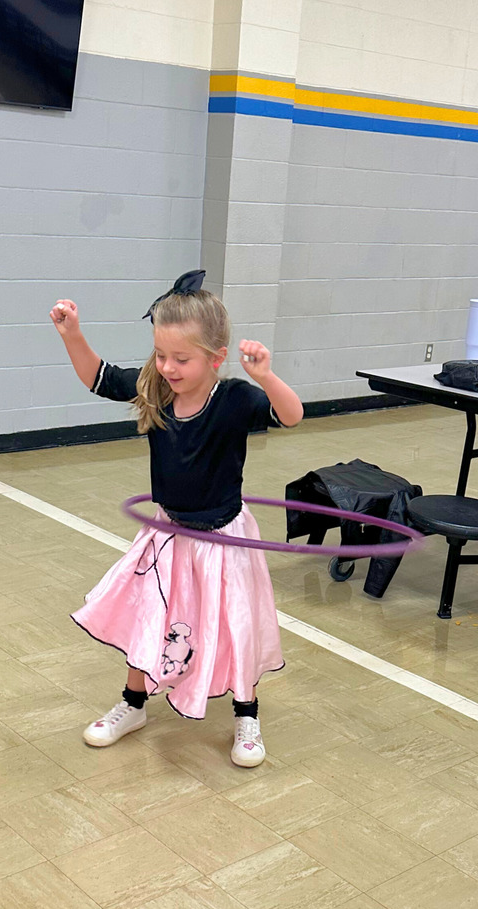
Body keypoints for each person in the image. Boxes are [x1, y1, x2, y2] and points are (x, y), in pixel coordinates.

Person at [49, 270, 303, 767]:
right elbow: (97, 376)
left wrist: (267, 376)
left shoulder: (234, 400)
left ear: (216, 358)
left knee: (233, 623)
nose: (167, 367)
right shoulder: (155, 389)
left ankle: (246, 714)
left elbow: (291, 415)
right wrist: (73, 335)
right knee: (147, 615)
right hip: (167, 533)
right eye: (161, 355)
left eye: (181, 359)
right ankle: (132, 704)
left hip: (224, 538)